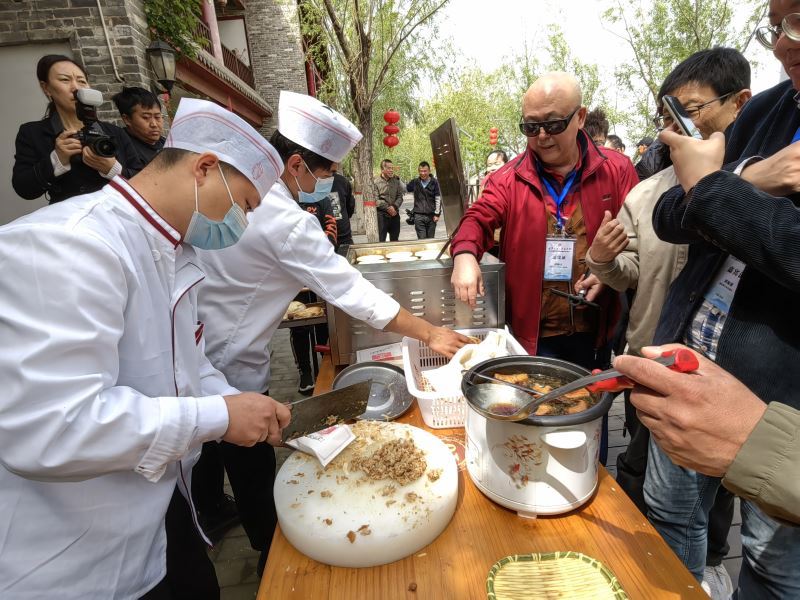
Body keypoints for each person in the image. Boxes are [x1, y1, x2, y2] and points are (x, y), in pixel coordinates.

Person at [0, 98, 289, 599]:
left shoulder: (172, 251)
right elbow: (51, 428)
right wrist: (218, 417)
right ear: (204, 169)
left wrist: (241, 402)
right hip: (72, 557)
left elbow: (187, 360)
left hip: (153, 514)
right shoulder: (71, 245)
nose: (241, 224)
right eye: (243, 205)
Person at [192, 90, 471, 576]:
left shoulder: (251, 198)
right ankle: (269, 556)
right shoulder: (279, 216)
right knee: (251, 463)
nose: (327, 184)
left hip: (204, 348)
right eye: (325, 175)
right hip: (229, 361)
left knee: (206, 452)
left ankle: (216, 514)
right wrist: (429, 332)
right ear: (295, 162)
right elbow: (353, 291)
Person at [644, 3, 800, 593]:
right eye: (777, 23)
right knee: (668, 514)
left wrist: (718, 190)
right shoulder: (767, 113)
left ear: (731, 98)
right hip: (690, 363)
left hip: (777, 407)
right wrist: (748, 181)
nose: (787, 43)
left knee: (770, 561)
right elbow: (670, 210)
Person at [585, 47, 751, 598]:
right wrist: (604, 260)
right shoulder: (646, 195)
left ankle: (705, 572)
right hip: (653, 365)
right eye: (667, 116)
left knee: (723, 494)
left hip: (735, 389)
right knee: (658, 493)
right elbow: (631, 273)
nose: (672, 130)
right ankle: (677, 575)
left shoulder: (761, 188)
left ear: (738, 106)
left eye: (692, 111)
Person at [451, 72, 637, 365]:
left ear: (580, 117)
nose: (541, 136)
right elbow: (478, 217)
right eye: (531, 126)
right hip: (534, 333)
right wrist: (464, 254)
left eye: (552, 124)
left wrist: (607, 270)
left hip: (595, 324)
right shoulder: (507, 178)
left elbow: (637, 239)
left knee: (587, 404)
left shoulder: (617, 169)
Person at [616, 343, 800, 526]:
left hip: (782, 405)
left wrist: (757, 440)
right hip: (680, 389)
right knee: (671, 515)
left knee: (766, 543)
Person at [12, 54, 143, 203]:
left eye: (82, 81)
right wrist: (57, 160)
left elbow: (142, 179)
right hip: (69, 219)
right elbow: (24, 188)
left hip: (115, 214)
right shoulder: (32, 133)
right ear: (46, 88)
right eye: (64, 80)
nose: (76, 88)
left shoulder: (114, 132)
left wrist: (112, 169)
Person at [112, 86, 166, 165]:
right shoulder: (120, 148)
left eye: (157, 117)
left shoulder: (167, 144)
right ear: (127, 119)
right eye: (146, 117)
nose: (154, 124)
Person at [406, 160, 441, 239]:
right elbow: (405, 189)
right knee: (422, 240)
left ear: (429, 171)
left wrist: (437, 214)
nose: (423, 173)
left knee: (431, 239)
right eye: (421, 171)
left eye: (425, 171)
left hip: (431, 216)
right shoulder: (415, 182)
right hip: (418, 216)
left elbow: (438, 198)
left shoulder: (434, 182)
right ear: (418, 171)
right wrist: (398, 180)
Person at [328, 164, 356, 252]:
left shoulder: (341, 181)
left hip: (342, 237)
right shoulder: (342, 180)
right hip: (333, 237)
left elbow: (350, 206)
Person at [374, 158, 404, 241]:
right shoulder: (375, 182)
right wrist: (388, 208)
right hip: (382, 216)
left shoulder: (396, 180)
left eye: (392, 168)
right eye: (388, 168)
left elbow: (400, 196)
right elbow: (376, 200)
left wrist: (394, 207)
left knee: (395, 240)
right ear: (382, 169)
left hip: (395, 214)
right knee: (382, 241)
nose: (391, 170)